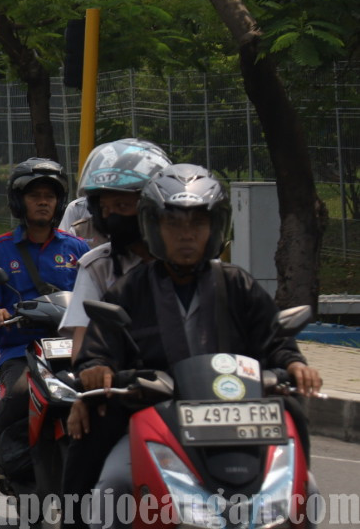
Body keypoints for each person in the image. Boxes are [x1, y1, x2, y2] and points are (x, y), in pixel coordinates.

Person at [72, 164, 322, 528]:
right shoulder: (130, 290)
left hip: (241, 422)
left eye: (198, 223)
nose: (186, 234)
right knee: (114, 484)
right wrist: (97, 369)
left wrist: (294, 364)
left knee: (305, 488)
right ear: (154, 227)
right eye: (173, 223)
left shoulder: (238, 284)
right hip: (156, 420)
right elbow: (99, 348)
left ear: (215, 227)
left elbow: (275, 339)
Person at [0, 158, 88, 482]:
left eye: (49, 195)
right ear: (19, 200)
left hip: (73, 347)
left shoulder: (79, 250)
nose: (43, 201)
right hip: (21, 348)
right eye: (35, 195)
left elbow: (99, 293)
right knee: (23, 390)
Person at [61, 139, 171, 355]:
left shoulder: (186, 261)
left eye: (122, 205)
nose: (111, 216)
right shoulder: (99, 266)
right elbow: (81, 343)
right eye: (104, 207)